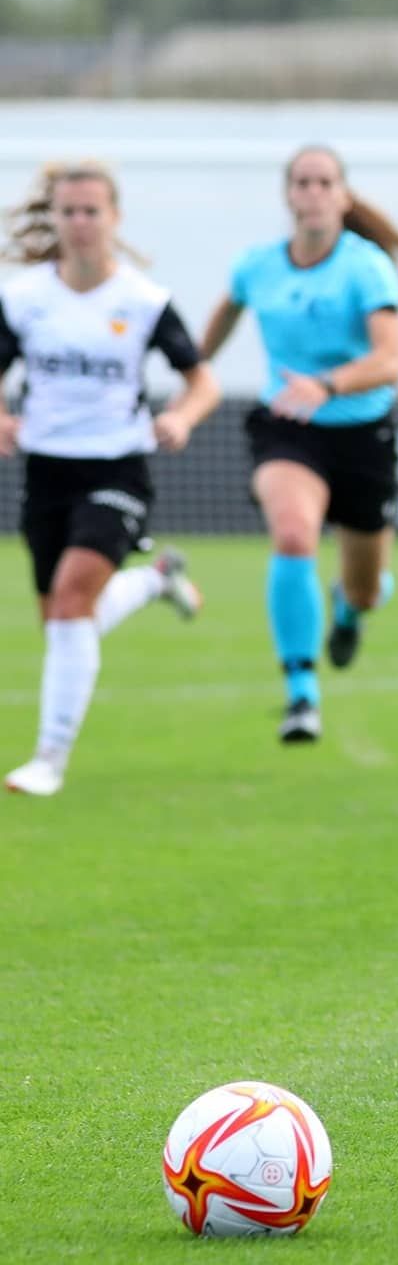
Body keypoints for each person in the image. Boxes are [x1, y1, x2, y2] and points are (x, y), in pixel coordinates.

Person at [0, 160, 218, 796]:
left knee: (71, 603)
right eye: (68, 211)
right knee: (69, 625)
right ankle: (153, 584)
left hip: (118, 469)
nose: (80, 223)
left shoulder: (144, 302)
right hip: (46, 473)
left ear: (114, 219)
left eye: (92, 211)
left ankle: (48, 760)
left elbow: (201, 380)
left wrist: (181, 416)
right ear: (55, 219)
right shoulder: (23, 298)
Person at [198, 145, 398, 742]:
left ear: (343, 196)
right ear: (288, 195)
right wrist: (192, 369)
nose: (312, 192)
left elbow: (391, 360)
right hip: (287, 425)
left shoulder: (366, 267)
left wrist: (329, 384)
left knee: (368, 590)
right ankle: (301, 693)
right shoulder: (257, 266)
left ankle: (350, 608)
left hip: (362, 433)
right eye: (302, 182)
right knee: (293, 533)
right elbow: (222, 319)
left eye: (324, 182)